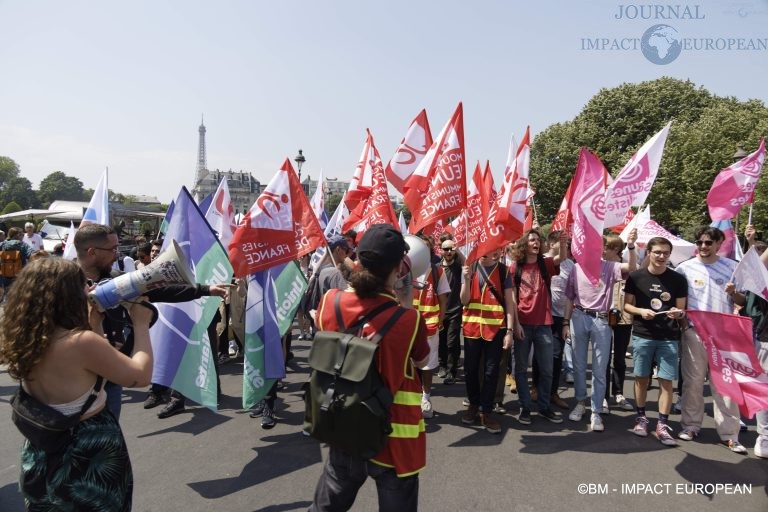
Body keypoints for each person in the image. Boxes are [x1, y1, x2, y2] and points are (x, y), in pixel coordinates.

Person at [0, 258, 155, 510]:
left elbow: (77, 373)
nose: (89, 290)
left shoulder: (25, 336)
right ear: (69, 294)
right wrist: (140, 323)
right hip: (86, 448)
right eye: (84, 285)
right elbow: (140, 375)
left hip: (41, 446)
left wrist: (93, 324)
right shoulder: (80, 343)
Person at [309, 224, 429, 512]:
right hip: (395, 435)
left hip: (346, 424)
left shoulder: (329, 303)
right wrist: (406, 299)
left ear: (358, 258)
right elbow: (422, 361)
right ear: (400, 268)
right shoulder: (409, 320)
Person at [675, 226, 746, 453]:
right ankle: (690, 425)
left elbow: (742, 300)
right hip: (695, 333)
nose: (703, 246)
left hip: (724, 335)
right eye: (700, 242)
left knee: (724, 384)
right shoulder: (684, 268)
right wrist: (684, 324)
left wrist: (734, 292)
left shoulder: (731, 268)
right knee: (693, 382)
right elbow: (679, 300)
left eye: (708, 243)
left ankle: (729, 434)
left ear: (718, 244)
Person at [563, 229, 637, 432]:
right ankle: (580, 402)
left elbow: (632, 267)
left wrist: (630, 246)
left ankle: (596, 411)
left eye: (598, 246)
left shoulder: (611, 266)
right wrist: (565, 323)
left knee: (599, 368)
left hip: (601, 320)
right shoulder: (576, 269)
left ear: (602, 249)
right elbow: (569, 297)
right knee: (578, 365)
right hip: (578, 317)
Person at [623, 236, 688, 446]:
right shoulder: (636, 276)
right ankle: (641, 418)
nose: (661, 256)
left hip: (669, 337)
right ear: (649, 252)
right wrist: (641, 311)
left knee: (666, 381)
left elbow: (681, 309)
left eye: (665, 253)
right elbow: (627, 306)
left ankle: (662, 423)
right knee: (641, 378)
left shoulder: (678, 279)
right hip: (643, 335)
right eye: (657, 252)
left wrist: (677, 314)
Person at [460, 247, 523, 434]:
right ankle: (473, 405)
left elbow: (510, 305)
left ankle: (486, 411)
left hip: (496, 329)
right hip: (472, 328)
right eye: (491, 248)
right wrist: (465, 279)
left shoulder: (504, 271)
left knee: (491, 371)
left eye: (498, 249)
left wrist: (510, 331)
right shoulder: (469, 267)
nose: (495, 252)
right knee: (470, 370)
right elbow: (464, 301)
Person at [510, 229, 567, 425]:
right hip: (523, 324)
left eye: (537, 240)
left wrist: (563, 241)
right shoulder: (515, 267)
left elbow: (562, 257)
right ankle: (524, 407)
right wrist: (515, 324)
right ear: (524, 244)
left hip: (544, 324)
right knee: (520, 369)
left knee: (547, 369)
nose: (535, 242)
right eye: (531, 239)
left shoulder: (546, 264)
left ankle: (544, 407)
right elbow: (512, 298)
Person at [437, 237, 463, 385]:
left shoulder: (459, 266)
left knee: (451, 342)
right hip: (440, 310)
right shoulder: (437, 267)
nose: (448, 252)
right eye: (445, 249)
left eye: (450, 249)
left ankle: (451, 371)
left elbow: (468, 265)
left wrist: (458, 250)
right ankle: (442, 365)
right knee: (441, 340)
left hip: (455, 309)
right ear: (441, 250)